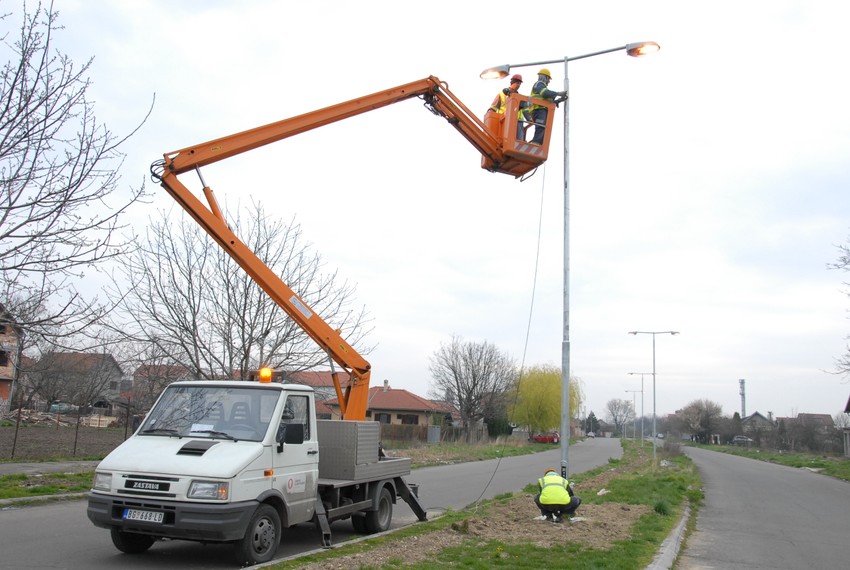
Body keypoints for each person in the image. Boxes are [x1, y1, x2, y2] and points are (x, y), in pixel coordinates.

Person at [529, 68, 567, 145]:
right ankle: (535, 143)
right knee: (540, 126)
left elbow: (546, 100)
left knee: (542, 127)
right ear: (545, 77)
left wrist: (558, 101)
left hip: (540, 109)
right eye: (548, 78)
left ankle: (537, 143)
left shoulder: (541, 86)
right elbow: (544, 93)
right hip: (538, 109)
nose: (549, 81)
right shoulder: (539, 84)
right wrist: (558, 93)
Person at [487, 73, 529, 140]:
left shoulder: (520, 97)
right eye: (518, 83)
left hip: (518, 122)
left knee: (518, 142)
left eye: (520, 83)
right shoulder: (502, 94)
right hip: (505, 121)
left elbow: (525, 111)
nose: (519, 85)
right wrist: (489, 115)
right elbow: (493, 107)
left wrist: (530, 119)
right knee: (506, 140)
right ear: (513, 82)